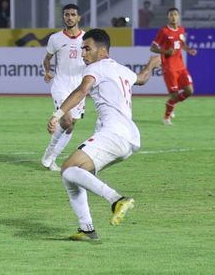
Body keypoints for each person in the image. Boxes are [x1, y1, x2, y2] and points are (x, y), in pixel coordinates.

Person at [47, 29, 161, 241]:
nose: (83, 54)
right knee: (72, 176)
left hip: (113, 133)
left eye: (87, 48)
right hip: (129, 138)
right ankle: (86, 229)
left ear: (102, 51)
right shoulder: (122, 70)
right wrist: (152, 64)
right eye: (82, 48)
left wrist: (58, 114)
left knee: (68, 169)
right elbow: (143, 79)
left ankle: (117, 199)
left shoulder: (96, 68)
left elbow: (82, 90)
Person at [41, 4, 86, 171]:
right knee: (66, 120)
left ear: (79, 17)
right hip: (61, 84)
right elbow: (47, 59)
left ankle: (52, 155)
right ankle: (49, 154)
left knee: (71, 124)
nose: (70, 17)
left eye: (73, 14)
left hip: (79, 87)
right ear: (63, 17)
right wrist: (47, 71)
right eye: (66, 14)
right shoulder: (55, 38)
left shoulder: (87, 38)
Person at [150, 7, 197, 125]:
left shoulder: (181, 29)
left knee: (189, 91)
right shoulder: (164, 31)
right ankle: (166, 118)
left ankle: (171, 104)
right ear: (168, 17)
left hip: (181, 67)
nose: (173, 17)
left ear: (179, 16)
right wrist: (165, 52)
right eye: (171, 15)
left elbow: (182, 44)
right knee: (174, 95)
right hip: (169, 68)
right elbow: (153, 47)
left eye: (175, 14)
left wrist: (189, 50)